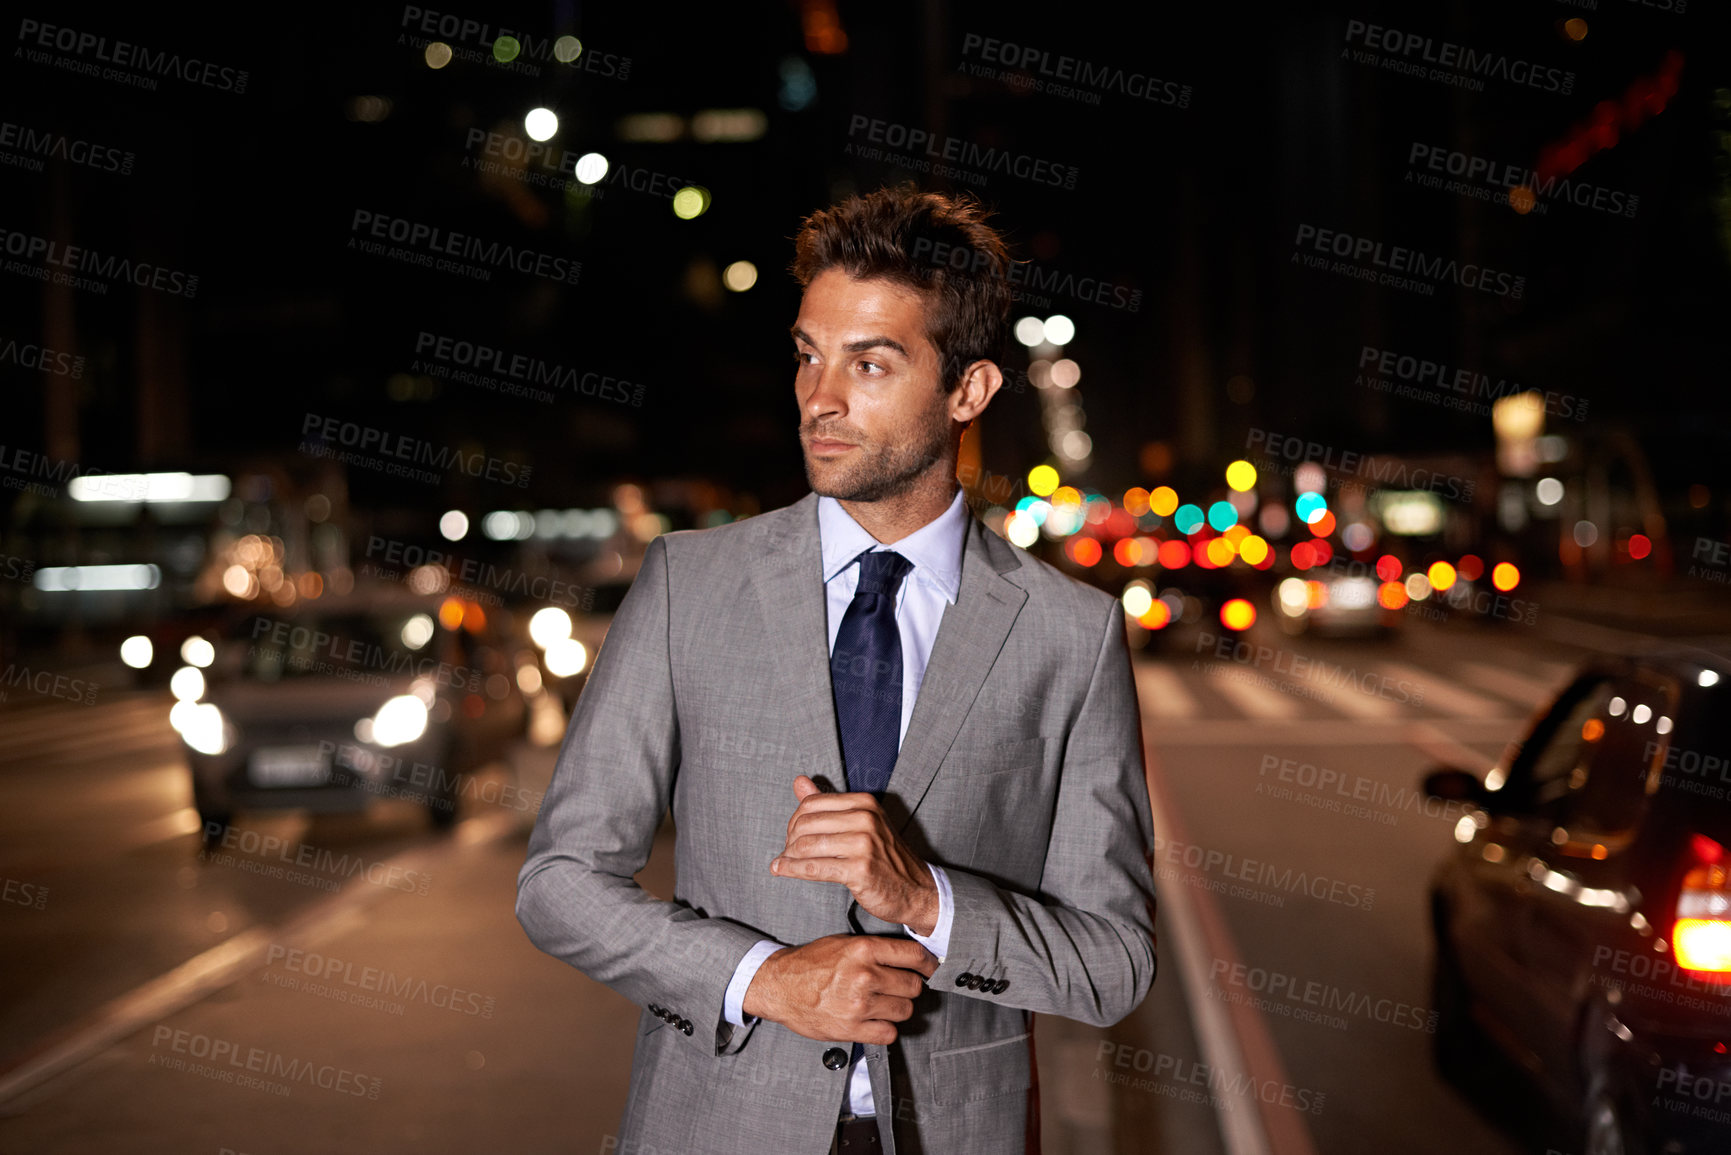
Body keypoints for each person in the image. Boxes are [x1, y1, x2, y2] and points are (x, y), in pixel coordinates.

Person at [517, 184, 1157, 1154]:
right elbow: (560, 882)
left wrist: (925, 901)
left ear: (968, 392)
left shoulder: (1070, 636)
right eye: (809, 356)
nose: (821, 397)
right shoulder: (691, 585)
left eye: (870, 363)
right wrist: (763, 979)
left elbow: (1113, 964)